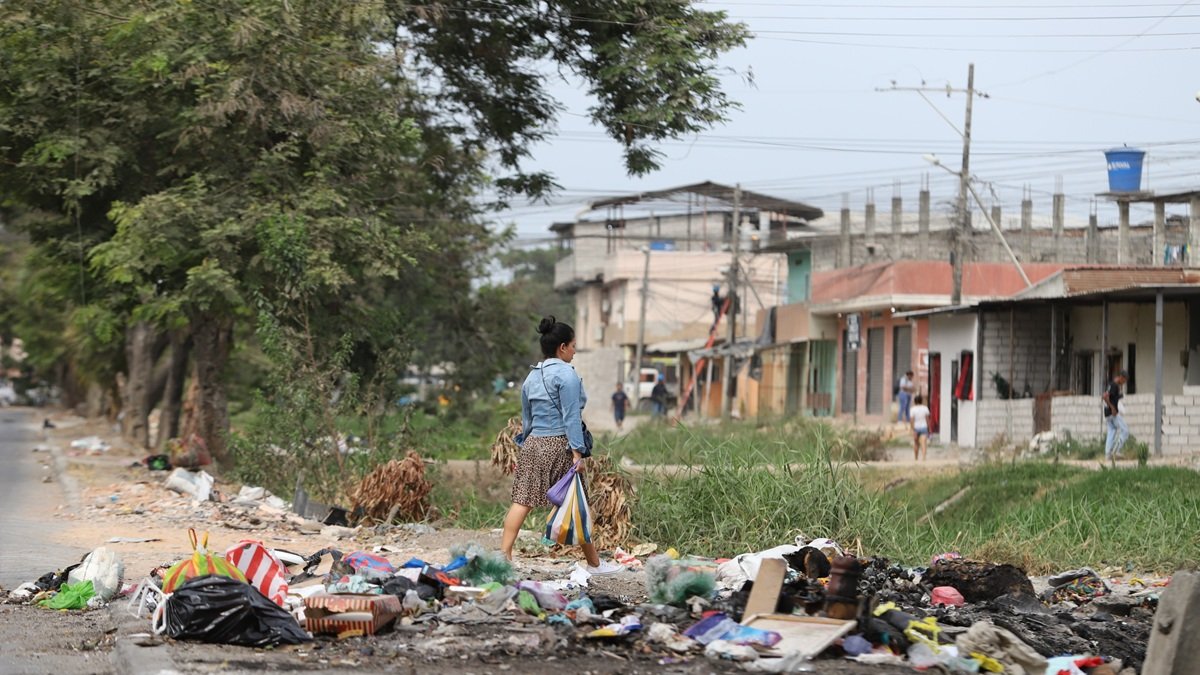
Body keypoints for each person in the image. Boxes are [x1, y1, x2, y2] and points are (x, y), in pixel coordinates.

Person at [500, 316, 622, 575]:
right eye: (574, 346)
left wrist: (527, 443)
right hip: (559, 445)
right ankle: (595, 564)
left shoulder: (532, 376)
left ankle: (504, 556)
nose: (576, 351)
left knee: (522, 501)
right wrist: (577, 453)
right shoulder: (567, 375)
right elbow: (571, 416)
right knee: (578, 503)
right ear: (563, 347)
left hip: (533, 444)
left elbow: (527, 418)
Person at [1103, 370, 1129, 466]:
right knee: (1125, 430)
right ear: (1121, 378)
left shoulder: (1111, 384)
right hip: (1112, 413)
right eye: (1124, 381)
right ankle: (1116, 451)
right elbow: (1105, 397)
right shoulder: (1114, 386)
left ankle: (1108, 454)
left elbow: (1111, 397)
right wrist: (1113, 408)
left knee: (1112, 431)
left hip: (1107, 413)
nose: (1123, 383)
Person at [910, 394, 931, 461]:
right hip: (924, 427)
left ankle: (916, 458)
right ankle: (924, 458)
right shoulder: (925, 408)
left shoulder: (913, 409)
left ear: (915, 401)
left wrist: (912, 429)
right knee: (923, 443)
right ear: (921, 401)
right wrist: (929, 428)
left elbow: (912, 420)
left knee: (916, 444)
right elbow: (927, 419)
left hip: (916, 428)